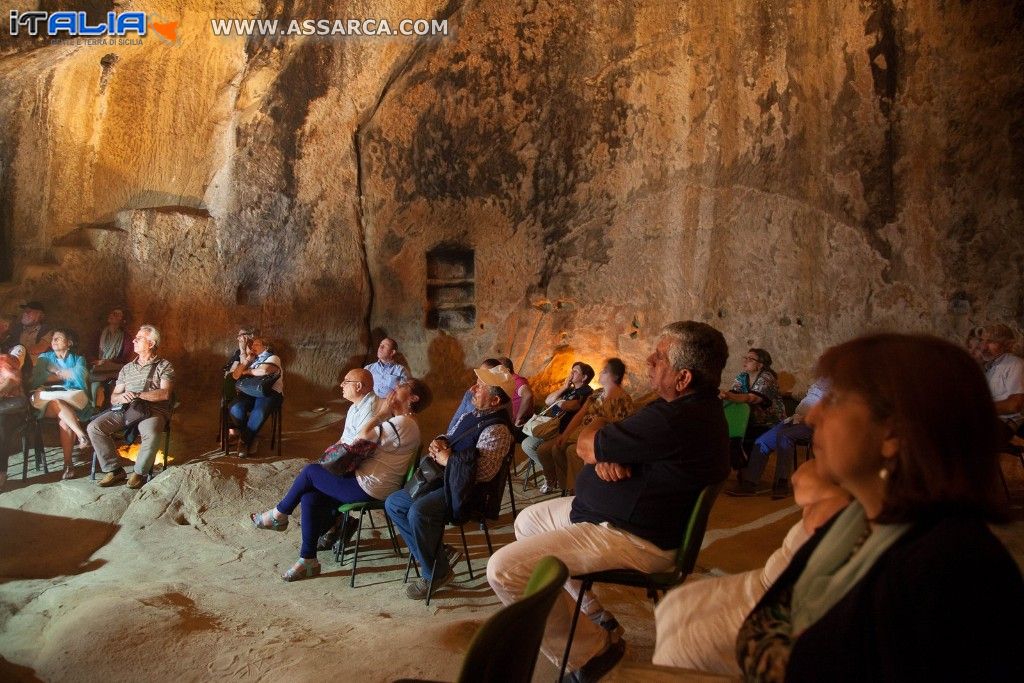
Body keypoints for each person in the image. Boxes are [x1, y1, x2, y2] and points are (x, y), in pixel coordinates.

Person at [735, 334, 1024, 681]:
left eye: (836, 399)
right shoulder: (863, 518)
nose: (813, 418)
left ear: (894, 434)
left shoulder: (951, 571)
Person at [487, 321, 731, 680]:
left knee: (504, 570)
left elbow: (587, 441)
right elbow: (600, 439)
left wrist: (598, 447)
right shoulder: (692, 410)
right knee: (527, 522)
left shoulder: (674, 419)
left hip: (630, 537)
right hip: (610, 516)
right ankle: (591, 614)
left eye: (660, 357)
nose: (649, 360)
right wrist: (606, 453)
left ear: (683, 379)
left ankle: (592, 653)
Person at [653, 460, 850, 676]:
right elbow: (804, 479)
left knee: (685, 643)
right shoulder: (853, 484)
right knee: (677, 604)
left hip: (783, 599)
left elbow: (807, 485)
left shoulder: (863, 501)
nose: (815, 426)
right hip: (769, 582)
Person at [250, 378, 429, 581]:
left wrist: (381, 413)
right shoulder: (402, 422)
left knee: (310, 471)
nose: (394, 389)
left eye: (401, 387)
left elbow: (362, 436)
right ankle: (308, 560)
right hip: (366, 480)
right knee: (310, 496)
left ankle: (278, 515)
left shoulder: (404, 422)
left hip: (371, 486)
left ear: (414, 398)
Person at [386, 365, 515, 600]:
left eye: (481, 387)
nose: (473, 389)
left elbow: (484, 473)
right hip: (445, 481)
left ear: (495, 400)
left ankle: (433, 573)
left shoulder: (498, 429)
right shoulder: (471, 414)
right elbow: (452, 435)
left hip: (468, 492)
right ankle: (439, 558)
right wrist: (440, 441)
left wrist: (448, 460)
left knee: (419, 512)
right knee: (395, 503)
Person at [88, 324, 174, 489]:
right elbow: (114, 397)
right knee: (94, 427)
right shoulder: (127, 368)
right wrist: (121, 397)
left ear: (151, 343)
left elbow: (165, 394)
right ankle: (114, 469)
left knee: (151, 431)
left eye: (139, 338)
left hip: (153, 410)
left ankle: (139, 472)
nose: (133, 340)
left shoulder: (164, 366)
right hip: (127, 409)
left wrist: (137, 395)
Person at [726, 378, 828, 499]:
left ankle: (782, 482)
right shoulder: (818, 382)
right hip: (795, 419)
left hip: (813, 424)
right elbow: (804, 396)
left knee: (785, 436)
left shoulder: (840, 386)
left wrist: (811, 417)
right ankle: (750, 483)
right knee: (762, 441)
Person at [314, 367, 380, 551]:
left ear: (358, 386)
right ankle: (338, 524)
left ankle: (332, 527)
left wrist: (331, 463)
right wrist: (328, 457)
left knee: (313, 479)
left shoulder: (372, 408)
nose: (341, 385)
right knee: (315, 476)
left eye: (346, 381)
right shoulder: (354, 407)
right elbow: (343, 439)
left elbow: (359, 445)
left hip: (361, 465)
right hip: (348, 459)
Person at [547, 358, 635, 492]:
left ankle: (578, 491)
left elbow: (620, 426)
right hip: (583, 431)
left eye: (605, 371)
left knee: (572, 451)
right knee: (557, 448)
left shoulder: (623, 399)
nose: (601, 373)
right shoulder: (597, 393)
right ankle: (567, 487)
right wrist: (565, 435)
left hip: (599, 435)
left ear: (615, 376)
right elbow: (580, 415)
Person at [522, 361, 595, 494]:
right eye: (571, 370)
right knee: (526, 444)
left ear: (584, 377)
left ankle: (551, 479)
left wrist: (559, 402)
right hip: (550, 427)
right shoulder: (570, 390)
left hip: (564, 430)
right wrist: (563, 387)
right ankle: (553, 471)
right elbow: (548, 401)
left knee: (543, 450)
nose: (571, 373)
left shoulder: (586, 391)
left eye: (576, 371)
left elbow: (573, 406)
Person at [29, 329, 93, 480]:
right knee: (57, 402)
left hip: (70, 401)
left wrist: (55, 374)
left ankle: (68, 464)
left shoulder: (78, 359)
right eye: (53, 339)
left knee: (63, 418)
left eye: (58, 338)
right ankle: (81, 435)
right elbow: (38, 378)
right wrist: (65, 374)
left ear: (69, 343)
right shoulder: (45, 357)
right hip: (45, 404)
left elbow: (79, 378)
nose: (53, 341)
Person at [229, 336, 283, 457]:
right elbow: (236, 376)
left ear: (266, 347)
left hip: (269, 392)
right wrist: (248, 359)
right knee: (235, 408)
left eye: (256, 345)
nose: (252, 347)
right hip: (250, 392)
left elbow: (263, 371)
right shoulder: (253, 360)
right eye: (252, 345)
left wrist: (247, 371)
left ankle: (244, 441)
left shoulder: (273, 358)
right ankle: (251, 436)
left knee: (259, 412)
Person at [720, 347, 786, 435]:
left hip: (770, 424)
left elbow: (752, 398)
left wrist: (727, 395)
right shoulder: (742, 376)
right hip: (750, 422)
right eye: (745, 358)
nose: (745, 361)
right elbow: (734, 393)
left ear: (760, 365)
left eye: (750, 359)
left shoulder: (767, 378)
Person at [979, 323, 1023, 445]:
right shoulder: (989, 367)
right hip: (986, 420)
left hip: (1003, 424)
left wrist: (977, 407)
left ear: (1007, 345)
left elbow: (1015, 404)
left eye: (991, 342)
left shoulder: (1014, 364)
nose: (983, 347)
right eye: (982, 340)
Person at [89, 307, 134, 410]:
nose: (112, 315)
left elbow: (126, 357)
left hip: (115, 368)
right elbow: (90, 351)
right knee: (95, 387)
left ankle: (112, 409)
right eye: (111, 313)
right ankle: (93, 410)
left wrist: (108, 361)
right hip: (99, 367)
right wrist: (96, 361)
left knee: (114, 387)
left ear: (123, 320)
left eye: (116, 314)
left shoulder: (126, 337)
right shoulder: (99, 334)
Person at [447, 358, 502, 433]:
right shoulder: (470, 395)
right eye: (478, 377)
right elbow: (455, 420)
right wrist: (445, 439)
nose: (472, 389)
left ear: (495, 400)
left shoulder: (496, 427)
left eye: (481, 383)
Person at [0, 353, 28, 491]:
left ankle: (1, 472)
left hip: (12, 409)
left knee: (1, 425)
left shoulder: (4, 359)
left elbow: (12, 380)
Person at [9, 301, 52, 381]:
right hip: (17, 364)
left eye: (29, 312)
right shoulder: (17, 329)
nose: (25, 314)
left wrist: (21, 351)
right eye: (24, 312)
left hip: (36, 366)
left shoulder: (46, 330)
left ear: (40, 315)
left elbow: (40, 348)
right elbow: (9, 345)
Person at [498, 356, 535, 428]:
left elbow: (528, 395)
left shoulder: (516, 380)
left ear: (507, 370)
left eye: (498, 370)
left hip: (521, 424)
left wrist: (518, 418)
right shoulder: (508, 382)